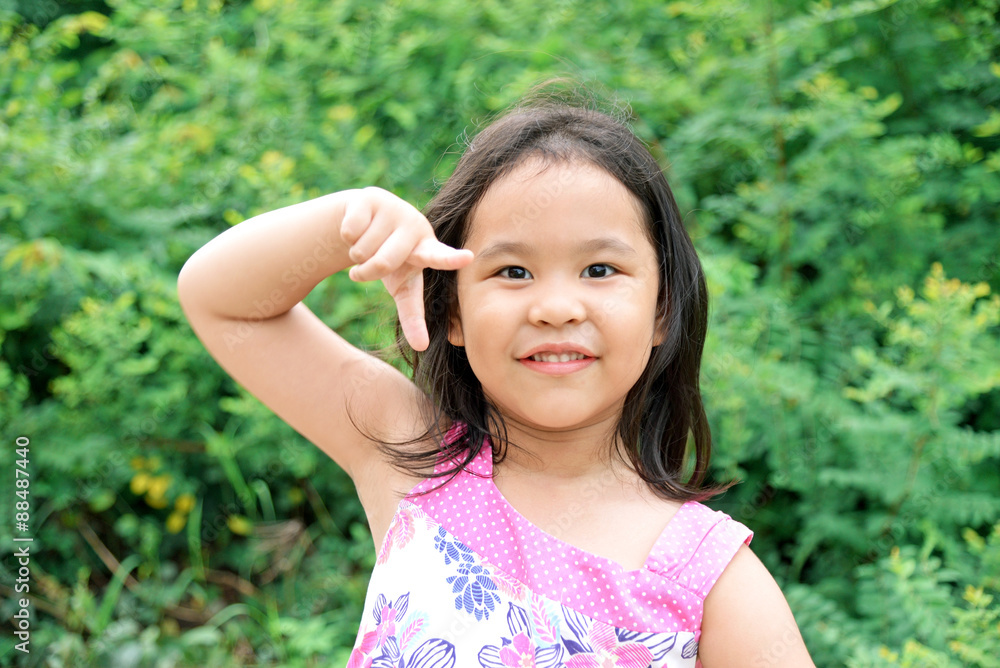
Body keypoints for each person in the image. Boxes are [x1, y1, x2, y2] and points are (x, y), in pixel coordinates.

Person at [177, 93, 815, 667]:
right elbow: (221, 301)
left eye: (599, 269)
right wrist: (349, 223)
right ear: (452, 310)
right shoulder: (414, 462)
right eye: (512, 272)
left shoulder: (708, 579)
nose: (555, 307)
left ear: (662, 311)